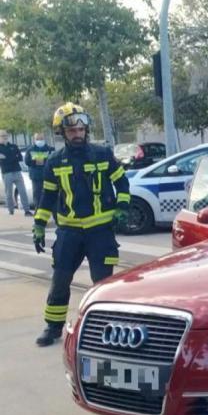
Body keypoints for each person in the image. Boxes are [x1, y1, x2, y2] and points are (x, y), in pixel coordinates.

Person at [32, 103, 130, 346]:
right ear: (62, 133)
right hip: (69, 233)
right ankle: (53, 327)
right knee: (60, 281)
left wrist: (122, 207)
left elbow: (123, 184)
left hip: (100, 233)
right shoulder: (54, 161)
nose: (77, 134)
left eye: (80, 129)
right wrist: (39, 225)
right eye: (71, 131)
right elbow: (47, 198)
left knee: (103, 284)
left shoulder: (103, 154)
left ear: (86, 129)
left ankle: (106, 329)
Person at [0, 130, 31, 216]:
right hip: (7, 173)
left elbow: (20, 157)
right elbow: (2, 161)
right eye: (2, 136)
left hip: (17, 171)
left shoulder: (13, 146)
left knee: (22, 191)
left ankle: (27, 210)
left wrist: (7, 158)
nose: (4, 137)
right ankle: (11, 210)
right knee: (9, 193)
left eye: (5, 135)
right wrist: (12, 158)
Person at [24, 132, 54, 211]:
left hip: (48, 176)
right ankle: (38, 212)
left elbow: (53, 161)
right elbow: (27, 161)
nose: (39, 141)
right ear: (34, 140)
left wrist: (44, 161)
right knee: (37, 196)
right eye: (37, 139)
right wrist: (35, 162)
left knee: (50, 194)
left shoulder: (49, 149)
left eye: (41, 139)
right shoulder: (30, 150)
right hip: (36, 177)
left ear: (44, 139)